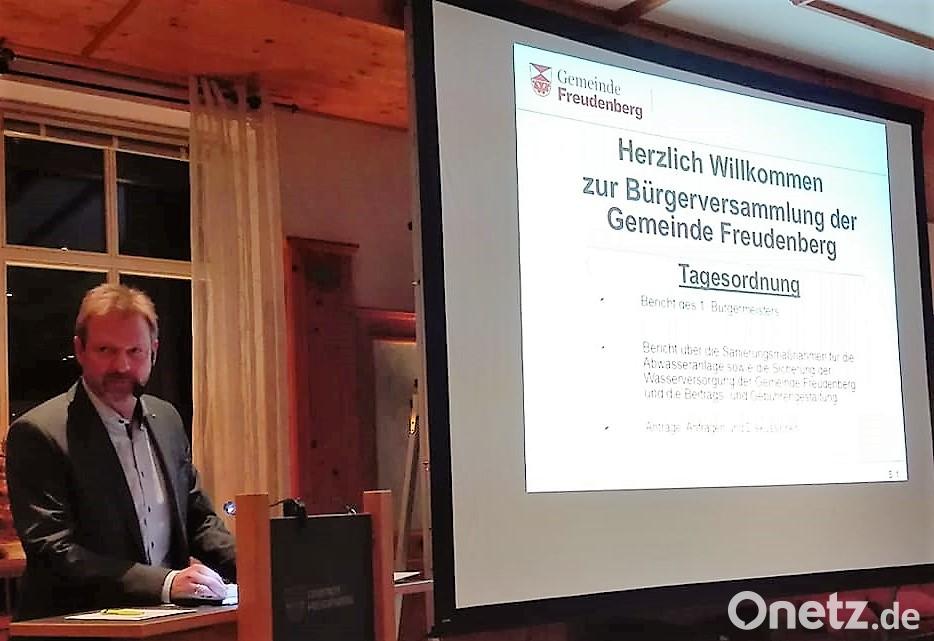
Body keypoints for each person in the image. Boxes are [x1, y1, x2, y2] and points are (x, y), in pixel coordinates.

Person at [5, 283, 236, 620]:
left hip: (165, 625)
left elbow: (198, 520)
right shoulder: (38, 433)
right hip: (74, 627)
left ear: (153, 351)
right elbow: (54, 551)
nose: (122, 366)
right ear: (80, 350)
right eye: (105, 350)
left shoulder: (167, 419)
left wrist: (261, 568)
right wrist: (166, 583)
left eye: (134, 351)